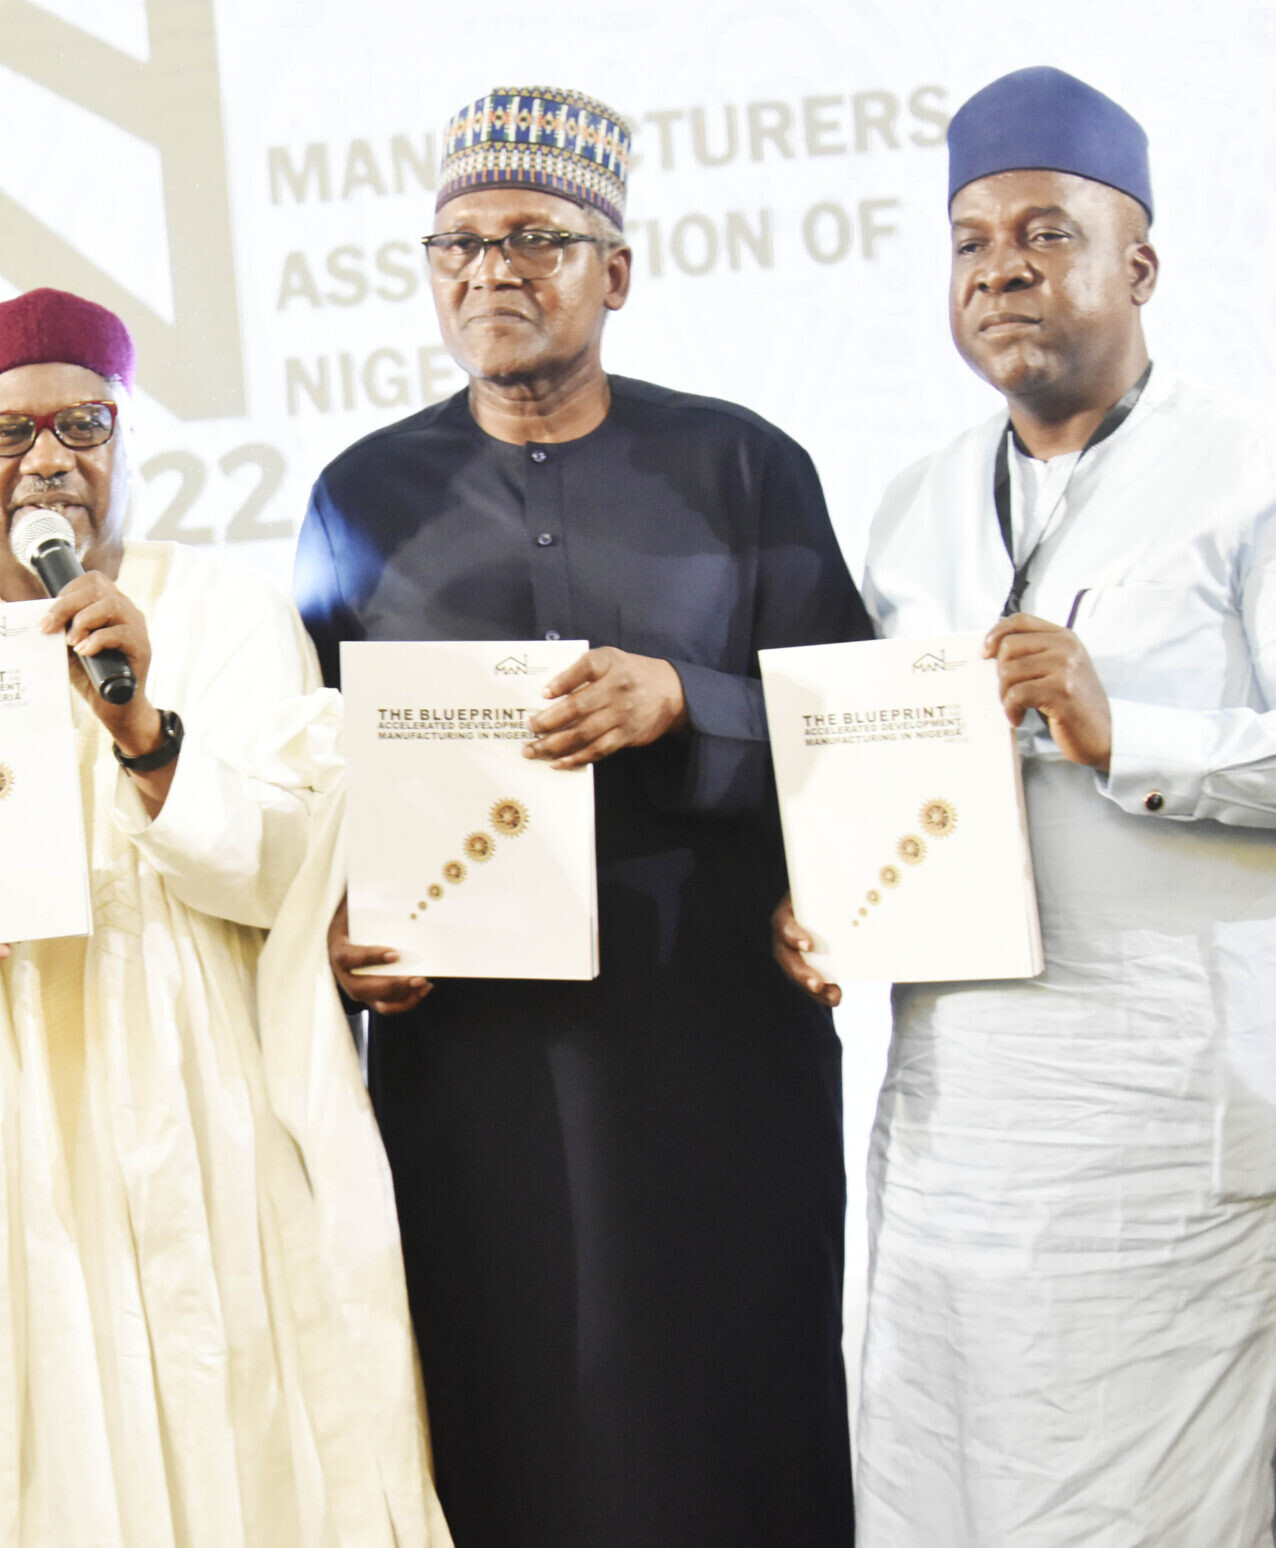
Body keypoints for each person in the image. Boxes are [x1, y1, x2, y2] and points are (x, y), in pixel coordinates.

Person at [775, 67, 1276, 1543]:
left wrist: (1133, 732)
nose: (1001, 268)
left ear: (1142, 263)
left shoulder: (1263, 476)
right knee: (950, 1500)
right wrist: (834, 896)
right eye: (972, 240)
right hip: (961, 1137)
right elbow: (893, 774)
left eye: (1045, 233)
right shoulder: (914, 502)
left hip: (1194, 1140)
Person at [0, 287, 449, 1545]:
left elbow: (284, 867)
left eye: (83, 425)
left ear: (126, 438)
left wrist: (147, 738)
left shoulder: (221, 610)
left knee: (237, 1432)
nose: (48, 463)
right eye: (7, 433)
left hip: (201, 1102)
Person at [294, 86, 869, 1546]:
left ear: (616, 270)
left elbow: (858, 734)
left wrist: (690, 703)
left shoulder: (745, 464)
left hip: (715, 1042)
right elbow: (307, 772)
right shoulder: (362, 497)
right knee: (506, 1408)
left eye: (536, 238)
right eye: (459, 246)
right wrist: (338, 928)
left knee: (738, 1403)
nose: (492, 271)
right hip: (474, 1063)